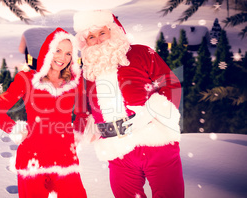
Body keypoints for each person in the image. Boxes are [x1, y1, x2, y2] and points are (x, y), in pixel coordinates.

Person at [73, 10, 184, 198]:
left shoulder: (141, 53)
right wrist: (75, 137)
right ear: (85, 42)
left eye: (102, 33)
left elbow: (171, 85)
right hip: (118, 152)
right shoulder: (87, 72)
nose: (98, 40)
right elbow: (83, 112)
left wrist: (149, 113)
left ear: (113, 31)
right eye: (91, 36)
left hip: (156, 142)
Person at [0, 27, 88, 198]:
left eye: (69, 54)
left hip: (65, 158)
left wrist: (75, 135)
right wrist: (16, 131)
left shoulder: (74, 83)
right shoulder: (26, 80)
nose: (63, 58)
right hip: (32, 159)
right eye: (58, 51)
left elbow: (83, 114)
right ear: (48, 52)